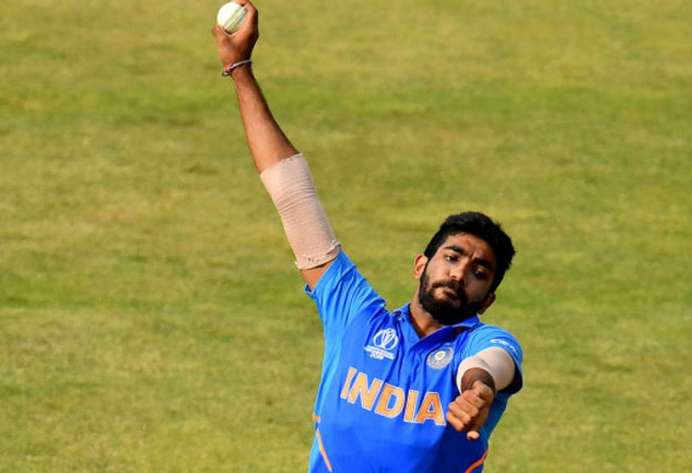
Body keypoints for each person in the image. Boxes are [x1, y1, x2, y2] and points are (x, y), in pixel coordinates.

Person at [212, 3, 523, 471]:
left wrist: (478, 389)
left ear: (489, 298)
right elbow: (292, 195)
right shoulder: (355, 316)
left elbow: (492, 363)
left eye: (479, 272)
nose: (460, 273)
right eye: (453, 256)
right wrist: (239, 69)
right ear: (421, 264)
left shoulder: (481, 344)